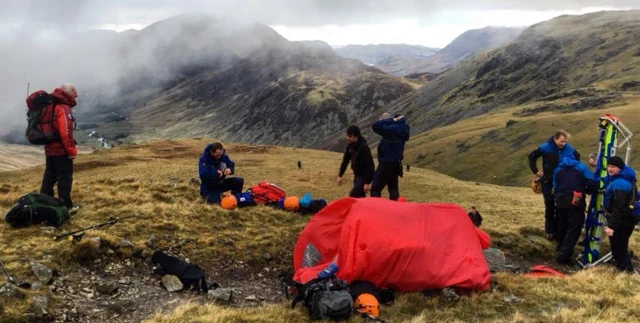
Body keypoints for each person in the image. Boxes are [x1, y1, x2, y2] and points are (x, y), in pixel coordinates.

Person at [528, 130, 580, 240]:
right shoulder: (545, 147)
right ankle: (550, 231)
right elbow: (532, 156)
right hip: (548, 182)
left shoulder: (569, 149)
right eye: (561, 141)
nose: (563, 144)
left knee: (561, 208)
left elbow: (577, 158)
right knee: (550, 206)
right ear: (555, 139)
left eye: (565, 142)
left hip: (563, 184)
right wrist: (536, 171)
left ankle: (560, 232)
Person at [40, 83, 79, 212]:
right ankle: (66, 207)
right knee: (65, 178)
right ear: (67, 92)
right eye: (74, 91)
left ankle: (44, 203)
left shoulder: (51, 104)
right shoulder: (62, 107)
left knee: (49, 177)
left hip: (49, 148)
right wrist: (71, 150)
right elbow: (65, 131)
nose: (76, 95)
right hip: (60, 150)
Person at [552, 156, 596, 264]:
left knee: (562, 224)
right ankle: (564, 255)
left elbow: (555, 185)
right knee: (574, 227)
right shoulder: (581, 167)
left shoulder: (558, 169)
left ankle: (560, 246)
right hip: (576, 199)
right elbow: (592, 182)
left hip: (560, 200)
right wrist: (587, 190)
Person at [603, 156, 636, 273]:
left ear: (620, 168)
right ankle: (624, 270)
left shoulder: (620, 184)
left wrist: (612, 226)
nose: (610, 169)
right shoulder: (626, 179)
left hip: (621, 221)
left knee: (618, 248)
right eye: (609, 166)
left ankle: (627, 272)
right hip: (627, 219)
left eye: (613, 167)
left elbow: (618, 207)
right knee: (621, 246)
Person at [370, 113, 410, 201]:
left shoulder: (391, 130)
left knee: (375, 189)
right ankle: (395, 210)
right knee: (393, 190)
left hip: (386, 164)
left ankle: (376, 210)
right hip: (395, 163)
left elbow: (375, 126)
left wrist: (391, 120)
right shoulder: (402, 128)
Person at [338, 126, 375, 198]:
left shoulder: (363, 147)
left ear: (356, 136)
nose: (348, 138)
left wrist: (367, 183)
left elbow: (370, 165)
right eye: (347, 136)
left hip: (363, 177)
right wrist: (340, 175)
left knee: (353, 195)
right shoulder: (350, 147)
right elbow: (345, 161)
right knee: (359, 198)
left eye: (350, 136)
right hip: (357, 176)